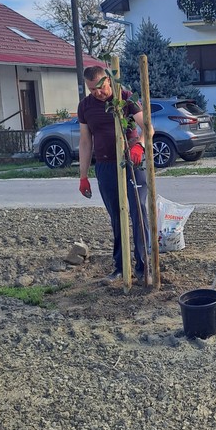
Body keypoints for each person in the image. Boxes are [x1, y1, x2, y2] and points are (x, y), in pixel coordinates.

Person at [77, 65, 152, 283]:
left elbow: (147, 127)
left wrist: (140, 146)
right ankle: (120, 267)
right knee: (116, 216)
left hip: (131, 162)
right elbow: (85, 141)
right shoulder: (85, 107)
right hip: (105, 166)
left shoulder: (125, 98)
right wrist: (83, 176)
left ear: (108, 81)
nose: (97, 93)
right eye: (92, 90)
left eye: (100, 88)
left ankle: (143, 267)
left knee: (138, 213)